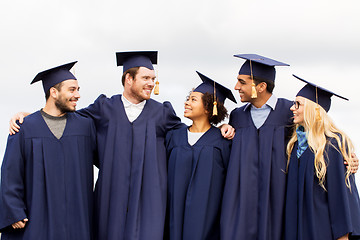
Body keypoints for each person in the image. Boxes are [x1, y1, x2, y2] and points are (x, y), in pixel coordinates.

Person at [0, 62, 97, 240]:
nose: (78, 95)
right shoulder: (24, 128)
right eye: (72, 90)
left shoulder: (85, 126)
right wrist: (13, 210)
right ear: (53, 92)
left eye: (78, 89)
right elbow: (10, 172)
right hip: (36, 218)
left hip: (77, 219)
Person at [220, 54, 293, 240]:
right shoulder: (237, 116)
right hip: (244, 200)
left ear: (261, 86)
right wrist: (223, 128)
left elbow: (320, 135)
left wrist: (347, 155)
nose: (236, 87)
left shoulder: (290, 112)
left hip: (280, 198)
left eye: (242, 82)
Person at [285, 75, 360, 240]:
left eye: (298, 104)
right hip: (297, 228)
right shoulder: (296, 143)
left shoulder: (332, 145)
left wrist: (343, 237)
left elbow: (341, 196)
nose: (292, 108)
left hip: (322, 229)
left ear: (314, 110)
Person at [165, 71, 236, 240]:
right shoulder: (174, 136)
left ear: (208, 107)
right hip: (173, 219)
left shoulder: (222, 141)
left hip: (208, 223)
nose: (186, 103)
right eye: (188, 98)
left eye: (193, 99)